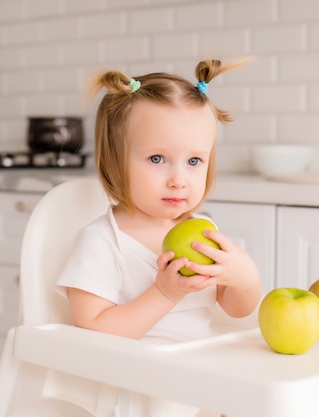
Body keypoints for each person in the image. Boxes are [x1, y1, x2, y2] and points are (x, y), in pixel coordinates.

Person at [55, 58, 261, 416]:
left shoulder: (203, 230)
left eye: (194, 161)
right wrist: (164, 293)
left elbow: (236, 309)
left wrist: (244, 278)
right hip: (138, 389)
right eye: (157, 158)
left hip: (198, 377)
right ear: (114, 161)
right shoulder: (103, 240)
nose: (178, 179)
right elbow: (92, 332)